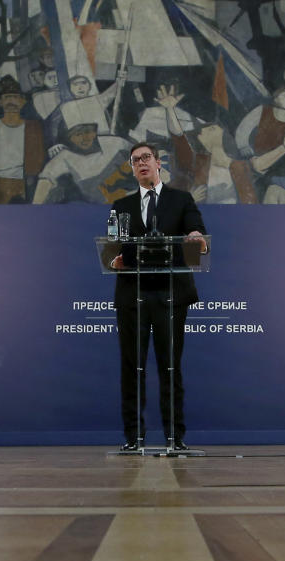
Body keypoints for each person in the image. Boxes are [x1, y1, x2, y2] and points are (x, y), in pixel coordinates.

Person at [109, 143, 208, 451]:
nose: (141, 163)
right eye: (135, 160)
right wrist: (114, 259)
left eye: (146, 158)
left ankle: (174, 438)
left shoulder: (181, 199)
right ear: (132, 168)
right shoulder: (121, 206)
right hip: (132, 295)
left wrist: (195, 238)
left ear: (158, 163)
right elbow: (112, 247)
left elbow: (198, 236)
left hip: (170, 295)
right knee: (131, 366)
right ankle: (133, 438)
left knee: (169, 367)